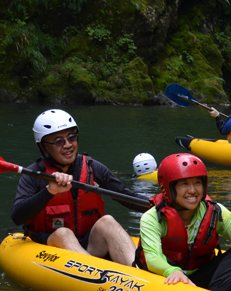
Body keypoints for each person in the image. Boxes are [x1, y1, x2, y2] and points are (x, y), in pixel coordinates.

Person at [11, 109, 149, 266]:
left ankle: (138, 272)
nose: (68, 145)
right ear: (43, 147)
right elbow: (17, 216)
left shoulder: (93, 168)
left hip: (89, 243)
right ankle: (95, 274)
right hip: (51, 248)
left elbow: (127, 197)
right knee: (63, 233)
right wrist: (49, 191)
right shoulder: (34, 175)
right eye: (58, 141)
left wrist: (164, 205)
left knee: (108, 221)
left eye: (71, 138)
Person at [135, 153, 231, 291]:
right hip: (166, 278)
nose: (193, 190)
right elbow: (152, 258)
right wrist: (173, 271)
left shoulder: (216, 212)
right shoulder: (152, 218)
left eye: (197, 182)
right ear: (167, 188)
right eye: (184, 184)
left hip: (201, 275)